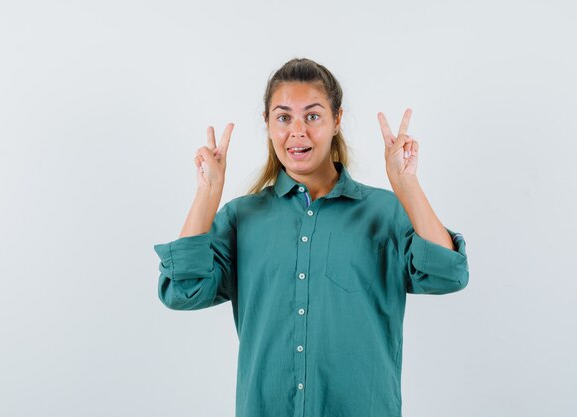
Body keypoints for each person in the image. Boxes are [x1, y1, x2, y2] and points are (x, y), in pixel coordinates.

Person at [153, 57, 469, 417]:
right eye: (284, 117)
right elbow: (182, 292)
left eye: (313, 116)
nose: (297, 131)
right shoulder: (242, 218)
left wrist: (406, 184)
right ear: (268, 125)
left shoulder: (385, 213)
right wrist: (207, 194)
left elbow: (449, 274)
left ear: (337, 121)